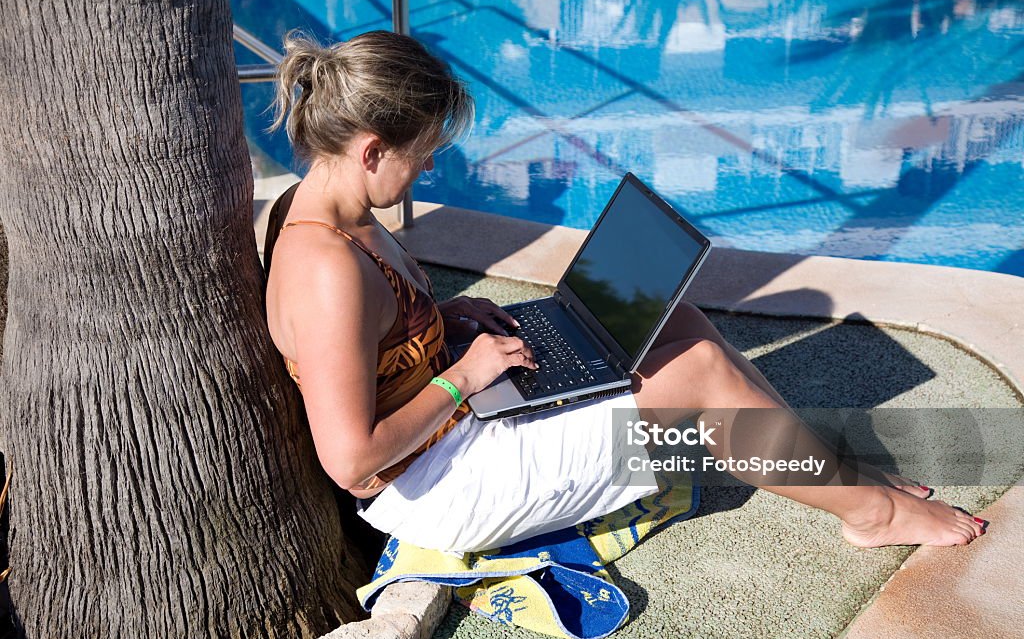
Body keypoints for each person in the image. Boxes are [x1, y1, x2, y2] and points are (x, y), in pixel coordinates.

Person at [262, 29, 987, 554]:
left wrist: (442, 318)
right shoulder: (327, 268)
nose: (423, 173)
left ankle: (827, 472)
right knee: (699, 377)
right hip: (444, 485)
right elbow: (351, 461)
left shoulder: (329, 205)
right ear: (370, 150)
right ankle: (872, 513)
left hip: (461, 429)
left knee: (685, 326)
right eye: (419, 158)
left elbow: (365, 346)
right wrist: (461, 377)